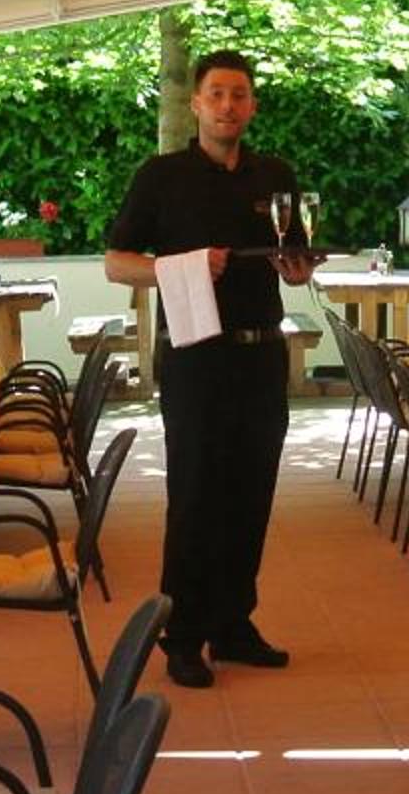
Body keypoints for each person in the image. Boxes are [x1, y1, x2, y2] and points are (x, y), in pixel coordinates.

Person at [103, 50, 315, 688]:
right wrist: (184, 266)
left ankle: (233, 624)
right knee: (196, 497)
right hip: (196, 357)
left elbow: (294, 260)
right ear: (196, 103)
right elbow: (116, 262)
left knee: (251, 494)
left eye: (239, 95)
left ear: (252, 106)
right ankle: (183, 634)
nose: (228, 106)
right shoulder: (161, 177)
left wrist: (298, 269)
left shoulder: (275, 175)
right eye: (217, 94)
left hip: (262, 353)